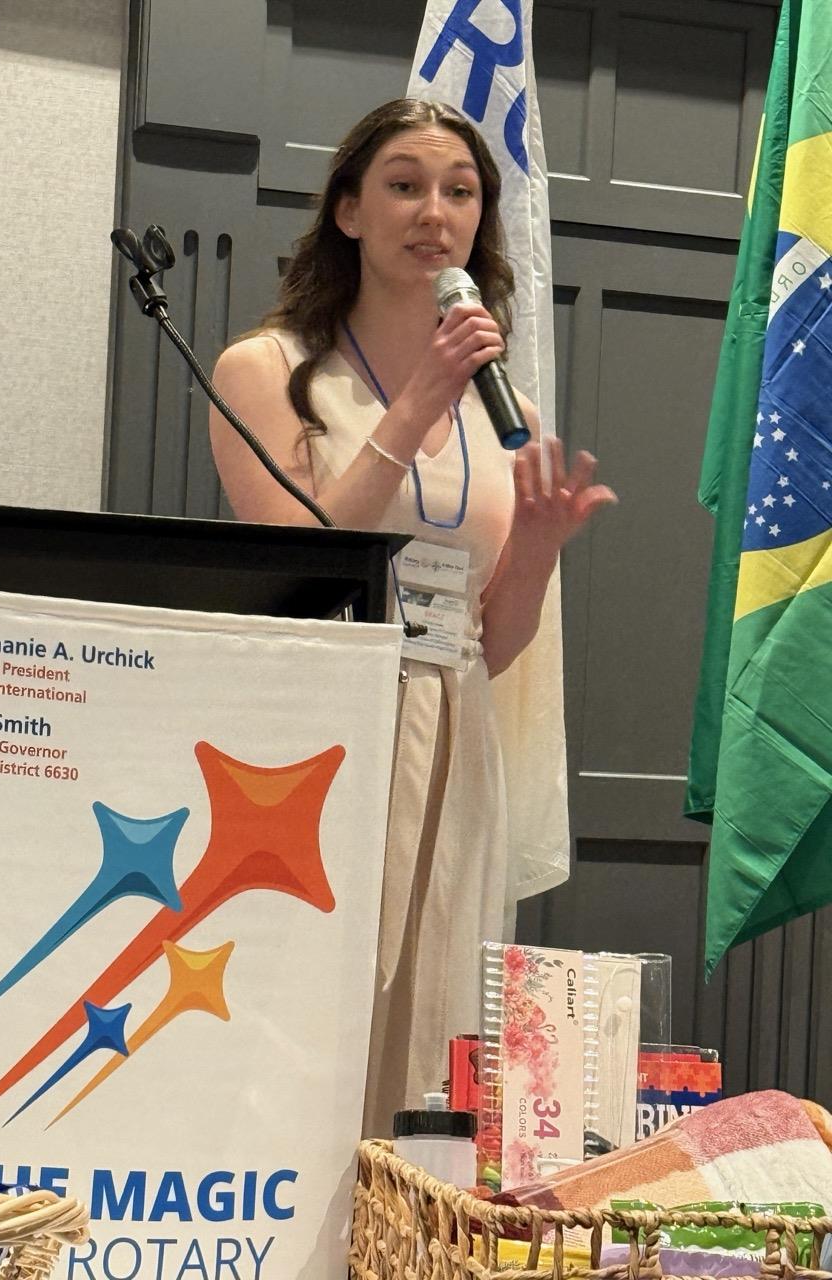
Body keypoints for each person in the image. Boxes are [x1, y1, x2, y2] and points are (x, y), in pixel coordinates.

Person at [208, 97, 616, 1137]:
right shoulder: (267, 371)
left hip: (454, 730)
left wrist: (538, 544)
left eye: (460, 192)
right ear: (348, 211)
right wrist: (420, 398)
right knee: (307, 1007)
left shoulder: (502, 410)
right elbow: (305, 571)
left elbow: (493, 643)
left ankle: (400, 1213)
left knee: (436, 1022)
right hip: (320, 734)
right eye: (404, 186)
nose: (435, 212)